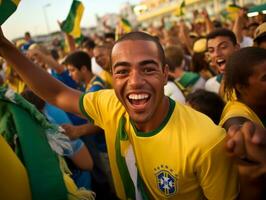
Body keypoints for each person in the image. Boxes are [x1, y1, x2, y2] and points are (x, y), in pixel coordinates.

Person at [0, 29, 239, 199]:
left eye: (148, 69)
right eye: (123, 71)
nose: (135, 82)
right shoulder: (110, 104)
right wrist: (5, 48)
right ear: (112, 76)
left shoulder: (207, 141)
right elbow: (57, 94)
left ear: (165, 74)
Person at [219, 47, 266, 199]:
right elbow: (237, 127)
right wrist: (244, 135)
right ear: (241, 87)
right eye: (265, 78)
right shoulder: (235, 116)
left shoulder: (253, 97)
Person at [205, 28, 239, 97]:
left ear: (236, 48)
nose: (217, 54)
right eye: (211, 50)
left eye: (223, 47)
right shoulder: (211, 85)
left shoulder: (252, 77)